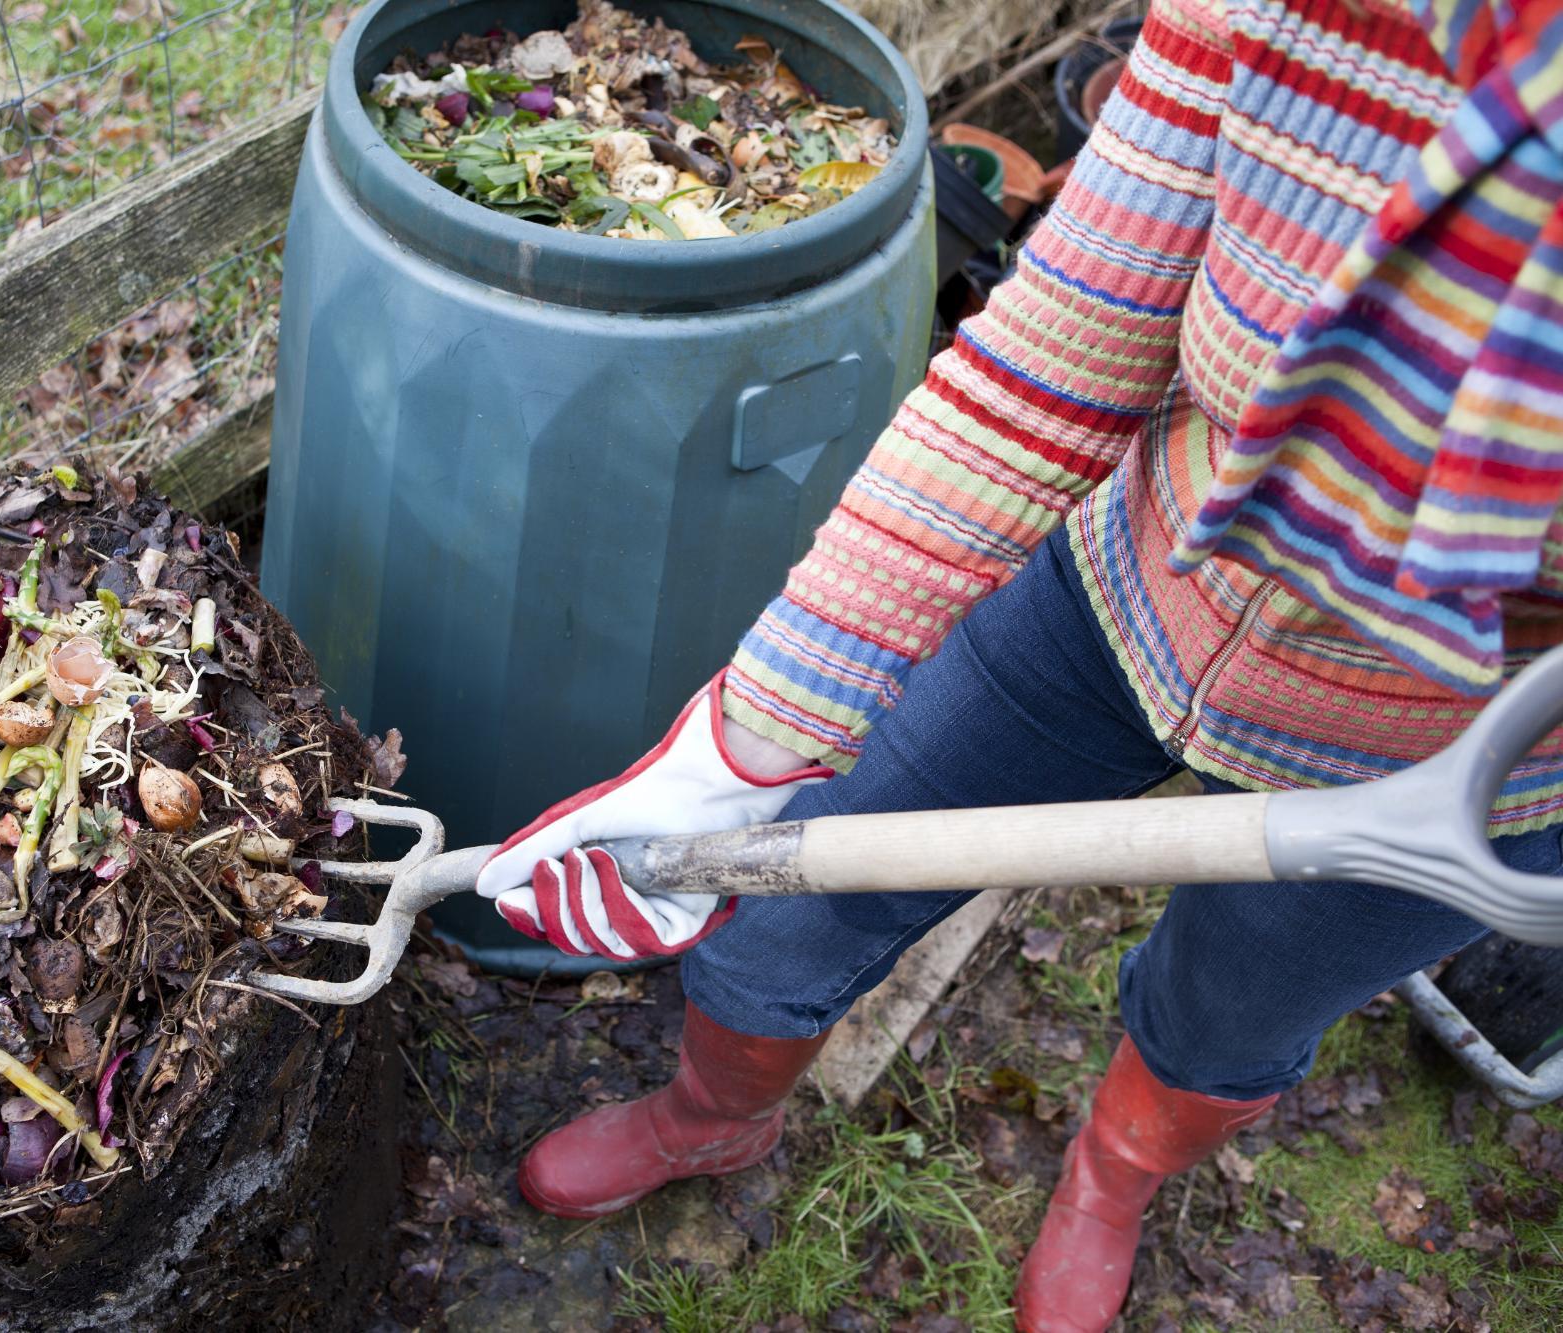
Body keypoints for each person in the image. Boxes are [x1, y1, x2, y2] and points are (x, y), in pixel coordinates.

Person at [472, 0, 1563, 1327]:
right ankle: (711, 1117)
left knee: (1225, 1021)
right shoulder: (1298, 17)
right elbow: (1048, 366)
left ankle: (1109, 1182)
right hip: (1126, 592)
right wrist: (740, 743)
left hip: (1455, 761)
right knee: (801, 894)